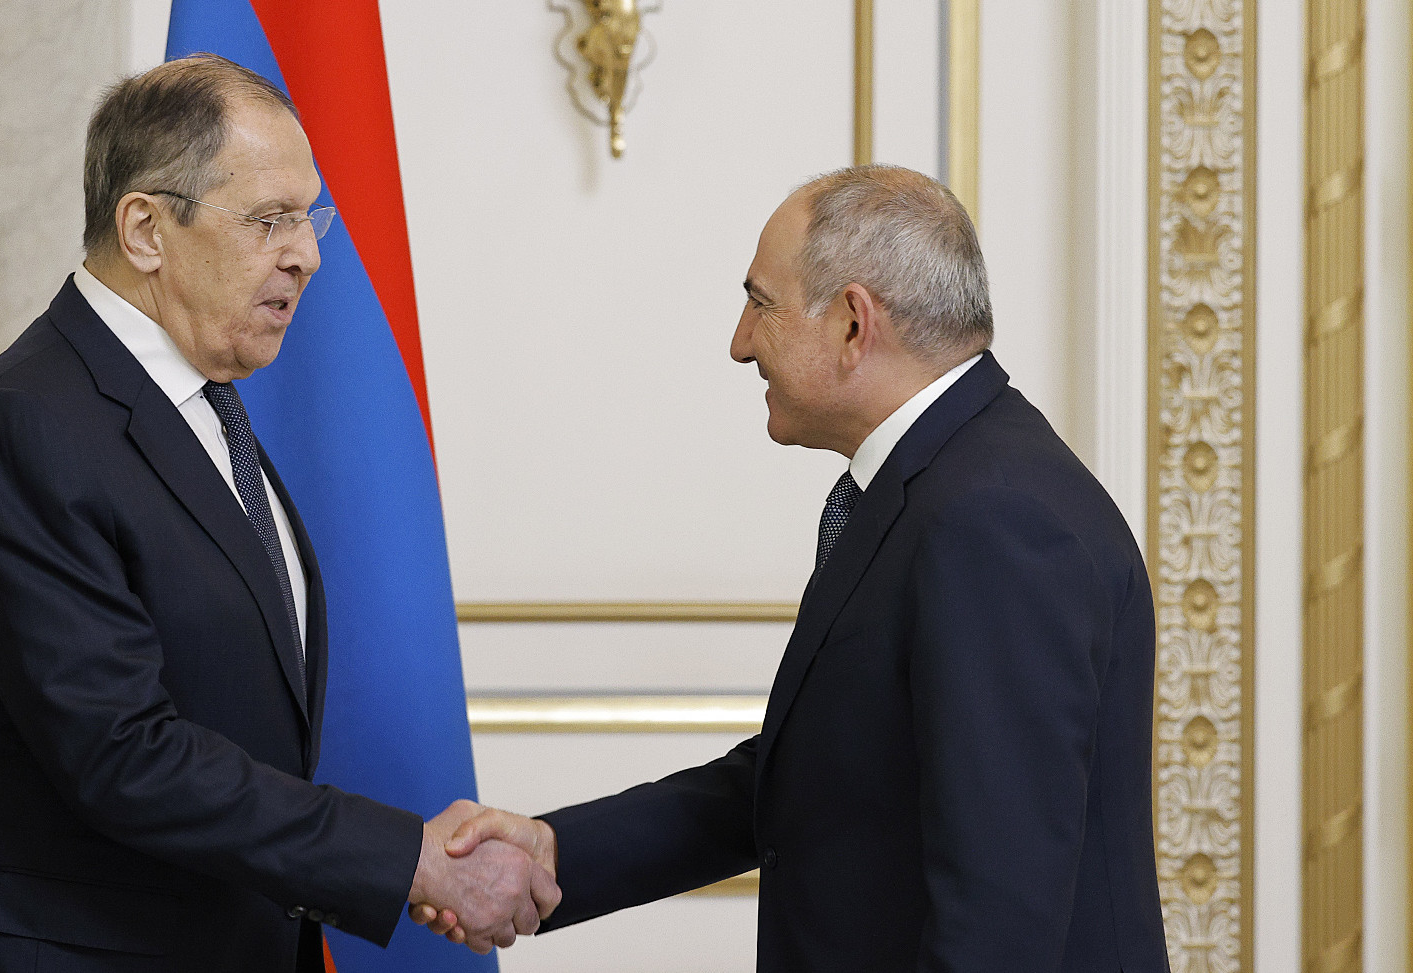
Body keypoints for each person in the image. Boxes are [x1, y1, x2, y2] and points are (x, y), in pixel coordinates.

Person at [0, 55, 555, 973]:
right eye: (269, 219)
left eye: (309, 217)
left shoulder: (205, 403)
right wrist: (408, 859)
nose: (307, 253)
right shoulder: (28, 422)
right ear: (145, 229)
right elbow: (121, 752)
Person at [413, 165, 1170, 972]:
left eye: (761, 304)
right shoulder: (948, 484)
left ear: (853, 323)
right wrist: (553, 851)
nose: (740, 342)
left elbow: (999, 920)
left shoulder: (992, 519)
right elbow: (815, 779)